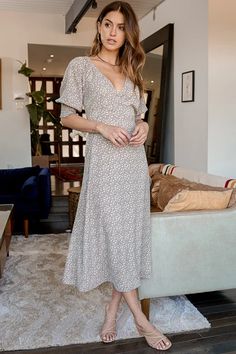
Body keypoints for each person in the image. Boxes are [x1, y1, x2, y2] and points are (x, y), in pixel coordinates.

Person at [57, 1, 172, 351]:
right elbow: (66, 116)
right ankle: (141, 320)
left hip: (133, 165)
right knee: (115, 237)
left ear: (128, 33)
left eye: (120, 27)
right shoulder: (82, 66)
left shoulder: (133, 69)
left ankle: (112, 309)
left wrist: (143, 125)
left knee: (126, 239)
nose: (112, 32)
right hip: (105, 164)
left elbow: (138, 115)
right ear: (99, 27)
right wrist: (101, 127)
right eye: (107, 24)